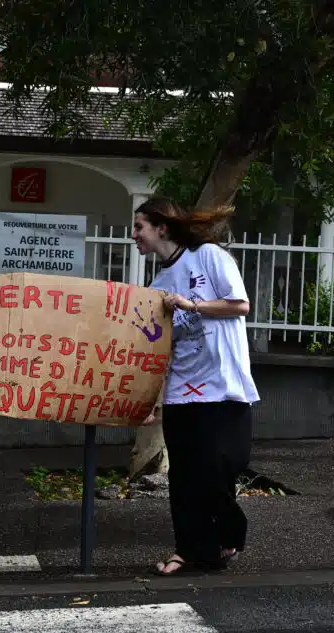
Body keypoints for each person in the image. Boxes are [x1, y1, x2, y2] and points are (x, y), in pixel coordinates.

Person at [131, 197, 260, 576]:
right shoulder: (157, 286)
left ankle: (230, 533)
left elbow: (240, 306)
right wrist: (154, 397)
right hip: (182, 391)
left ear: (161, 228)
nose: (134, 235)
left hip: (224, 386)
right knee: (185, 477)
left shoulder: (209, 257)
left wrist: (191, 305)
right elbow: (161, 349)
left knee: (222, 466)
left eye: (140, 226)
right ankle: (189, 551)